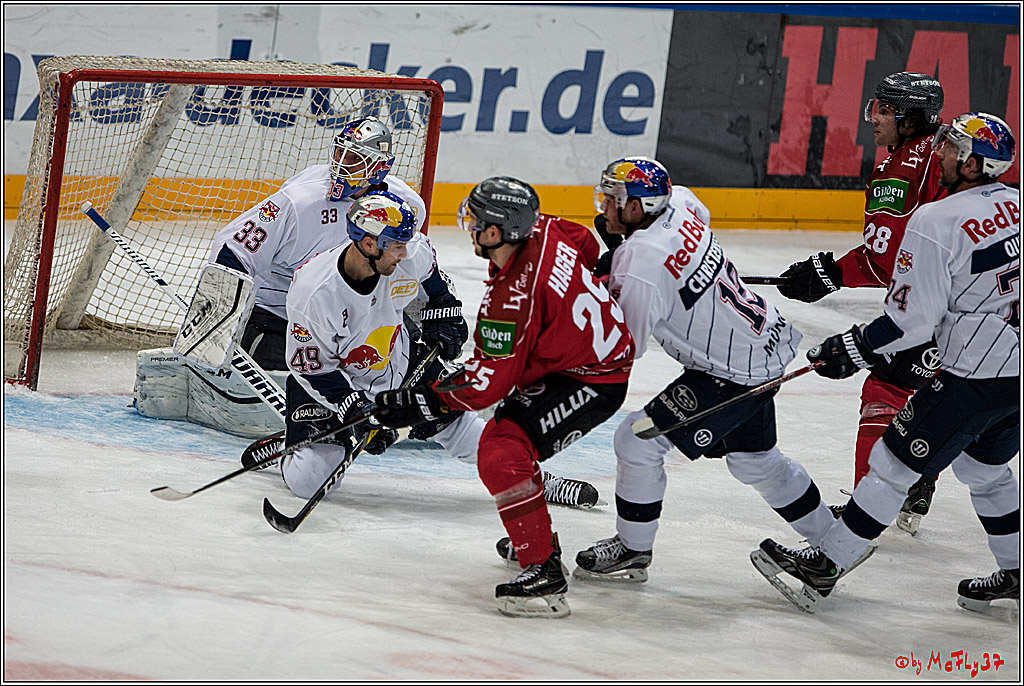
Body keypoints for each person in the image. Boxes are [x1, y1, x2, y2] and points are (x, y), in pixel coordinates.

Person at [754, 112, 1019, 614]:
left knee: (892, 464)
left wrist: (850, 349)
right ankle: (1016, 570)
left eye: (951, 149)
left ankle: (825, 565)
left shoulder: (938, 220)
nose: (939, 153)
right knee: (985, 470)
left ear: (971, 164)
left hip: (974, 377)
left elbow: (911, 323)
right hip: (1016, 377)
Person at [571, 156, 841, 586]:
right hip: (765, 343)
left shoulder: (640, 262)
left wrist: (609, 288)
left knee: (637, 442)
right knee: (756, 462)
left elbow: (627, 346)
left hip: (730, 373)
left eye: (612, 199)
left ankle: (634, 546)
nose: (603, 207)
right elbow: (697, 222)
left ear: (638, 208)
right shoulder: (679, 201)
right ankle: (835, 542)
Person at [373, 177, 635, 618]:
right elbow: (583, 240)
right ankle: (534, 533)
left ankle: (543, 570)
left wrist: (422, 402)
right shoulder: (542, 228)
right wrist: (601, 272)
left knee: (501, 451)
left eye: (475, 220)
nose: (469, 225)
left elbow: (488, 386)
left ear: (496, 233)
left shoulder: (510, 302)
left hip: (593, 377)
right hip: (574, 356)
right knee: (508, 440)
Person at [282, 190, 601, 510]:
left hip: (399, 363)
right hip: (330, 385)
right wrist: (355, 409)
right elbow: (313, 368)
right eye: (396, 246)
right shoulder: (314, 293)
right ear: (369, 244)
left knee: (466, 429)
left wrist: (444, 311)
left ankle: (536, 481)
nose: (404, 253)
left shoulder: (407, 254)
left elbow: (433, 283)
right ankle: (292, 445)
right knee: (310, 479)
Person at [133, 116, 426, 437]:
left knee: (413, 351)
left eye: (353, 159)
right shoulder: (300, 201)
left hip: (352, 315)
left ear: (379, 167)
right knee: (298, 374)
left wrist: (431, 307)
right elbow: (233, 248)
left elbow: (408, 260)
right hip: (281, 317)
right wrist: (219, 322)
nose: (341, 165)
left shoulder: (406, 204)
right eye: (339, 153)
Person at [774, 72, 947, 535]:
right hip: (990, 302)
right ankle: (916, 480)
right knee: (936, 393)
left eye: (884, 110)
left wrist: (825, 273)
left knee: (885, 392)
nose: (874, 119)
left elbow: (885, 262)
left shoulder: (899, 170)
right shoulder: (947, 150)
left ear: (910, 120)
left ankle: (865, 513)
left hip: (939, 307)